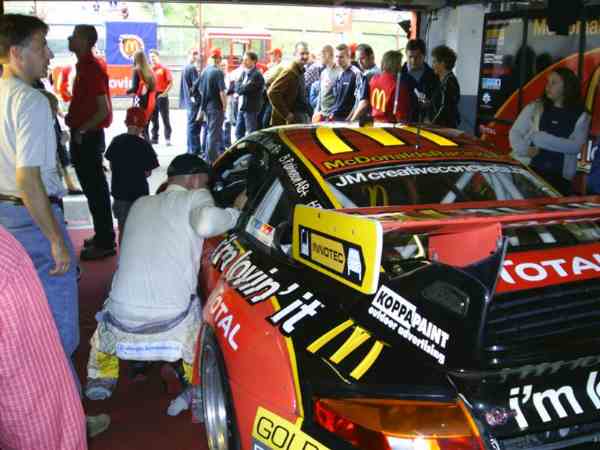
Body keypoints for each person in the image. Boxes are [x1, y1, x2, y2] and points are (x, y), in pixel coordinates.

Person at [84, 154, 247, 415]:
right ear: (195, 180)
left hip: (120, 319)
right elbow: (206, 223)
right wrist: (236, 212)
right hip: (172, 322)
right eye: (205, 183)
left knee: (110, 303)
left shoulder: (140, 203)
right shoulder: (196, 196)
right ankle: (196, 388)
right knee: (200, 313)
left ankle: (101, 378)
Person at [66, 24, 116, 259]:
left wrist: (83, 130)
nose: (70, 39)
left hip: (88, 137)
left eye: (74, 36)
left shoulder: (91, 69)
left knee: (96, 190)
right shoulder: (85, 67)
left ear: (85, 41)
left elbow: (103, 109)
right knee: (93, 189)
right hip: (85, 135)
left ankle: (105, 241)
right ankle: (102, 234)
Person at [509, 68, 591, 196]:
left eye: (554, 82)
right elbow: (515, 132)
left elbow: (576, 147)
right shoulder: (535, 107)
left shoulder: (581, 115)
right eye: (547, 82)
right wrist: (524, 149)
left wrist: (541, 139)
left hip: (560, 179)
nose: (548, 86)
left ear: (567, 86)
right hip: (529, 173)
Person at [105, 106, 159, 242]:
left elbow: (111, 166)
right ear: (143, 125)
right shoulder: (145, 145)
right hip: (139, 195)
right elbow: (148, 172)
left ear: (125, 123)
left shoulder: (116, 141)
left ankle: (123, 252)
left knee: (123, 227)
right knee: (139, 227)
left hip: (120, 194)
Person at [268, 41, 311, 126]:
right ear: (295, 54)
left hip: (298, 117)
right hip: (288, 121)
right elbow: (272, 92)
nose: (305, 56)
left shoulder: (300, 70)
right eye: (302, 53)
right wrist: (286, 114)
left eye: (307, 53)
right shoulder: (291, 71)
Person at [197, 48, 227, 162]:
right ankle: (212, 161)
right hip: (216, 107)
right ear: (219, 59)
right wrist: (225, 106)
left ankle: (208, 158)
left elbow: (200, 90)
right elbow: (222, 92)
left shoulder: (205, 71)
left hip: (207, 107)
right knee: (213, 135)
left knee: (210, 132)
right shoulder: (218, 72)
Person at [401, 38, 439, 122]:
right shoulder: (399, 75)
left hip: (427, 122)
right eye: (410, 57)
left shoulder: (433, 76)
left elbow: (438, 101)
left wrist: (430, 104)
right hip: (404, 121)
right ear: (406, 55)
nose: (413, 61)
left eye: (417, 57)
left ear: (424, 56)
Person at [368, 50, 412, 124]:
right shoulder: (397, 86)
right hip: (390, 125)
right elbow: (400, 114)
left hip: (374, 122)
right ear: (396, 65)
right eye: (400, 63)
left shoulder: (373, 79)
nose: (401, 67)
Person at [126, 49, 156, 141]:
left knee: (137, 129)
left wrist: (126, 92)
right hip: (148, 103)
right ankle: (148, 148)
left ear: (136, 58)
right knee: (145, 129)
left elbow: (134, 88)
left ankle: (140, 148)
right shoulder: (149, 71)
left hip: (139, 103)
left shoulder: (136, 70)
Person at [235, 51, 265, 139]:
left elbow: (245, 89)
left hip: (251, 109)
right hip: (242, 108)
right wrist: (241, 87)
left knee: (251, 134)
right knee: (238, 133)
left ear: (254, 61)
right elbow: (237, 87)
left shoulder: (257, 75)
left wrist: (241, 88)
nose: (243, 62)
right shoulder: (244, 73)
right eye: (243, 60)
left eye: (246, 60)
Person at [430, 45, 461, 128]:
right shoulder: (444, 80)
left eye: (434, 62)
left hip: (445, 127)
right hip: (443, 126)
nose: (432, 65)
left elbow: (444, 107)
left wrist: (431, 124)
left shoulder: (449, 81)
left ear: (443, 63)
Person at [329, 43, 361, 121]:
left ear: (348, 57)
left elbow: (358, 101)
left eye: (341, 57)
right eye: (336, 57)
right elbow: (338, 99)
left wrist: (349, 119)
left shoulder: (356, 73)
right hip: (335, 117)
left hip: (346, 119)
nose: (338, 59)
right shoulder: (339, 73)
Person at [349, 43, 380, 122]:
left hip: (365, 120)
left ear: (372, 57)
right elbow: (357, 102)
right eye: (358, 59)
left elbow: (363, 103)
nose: (360, 62)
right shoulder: (377, 73)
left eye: (362, 58)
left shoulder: (369, 75)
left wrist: (351, 121)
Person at [149, 49, 173, 146]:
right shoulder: (150, 70)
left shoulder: (164, 69)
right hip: (152, 96)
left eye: (153, 56)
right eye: (150, 57)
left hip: (162, 96)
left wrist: (164, 93)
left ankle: (167, 138)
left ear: (158, 57)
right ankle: (154, 138)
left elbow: (170, 83)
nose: (152, 59)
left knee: (165, 118)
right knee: (153, 118)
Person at [180, 48, 201, 154]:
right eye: (193, 54)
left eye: (197, 54)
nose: (196, 56)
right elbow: (196, 85)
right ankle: (195, 149)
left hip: (188, 102)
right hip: (193, 102)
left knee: (190, 125)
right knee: (194, 126)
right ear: (188, 54)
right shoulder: (192, 68)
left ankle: (190, 148)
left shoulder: (184, 67)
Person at [312, 44, 341, 122]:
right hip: (322, 115)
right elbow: (321, 93)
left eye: (320, 54)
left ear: (327, 54)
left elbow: (340, 96)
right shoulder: (323, 72)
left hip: (333, 116)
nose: (319, 57)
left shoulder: (340, 72)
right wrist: (316, 111)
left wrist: (333, 113)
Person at [261, 47, 284, 128]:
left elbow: (267, 79)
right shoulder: (271, 66)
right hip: (267, 97)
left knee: (267, 121)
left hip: (274, 98)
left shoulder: (280, 66)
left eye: (272, 54)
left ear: (277, 55)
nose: (270, 56)